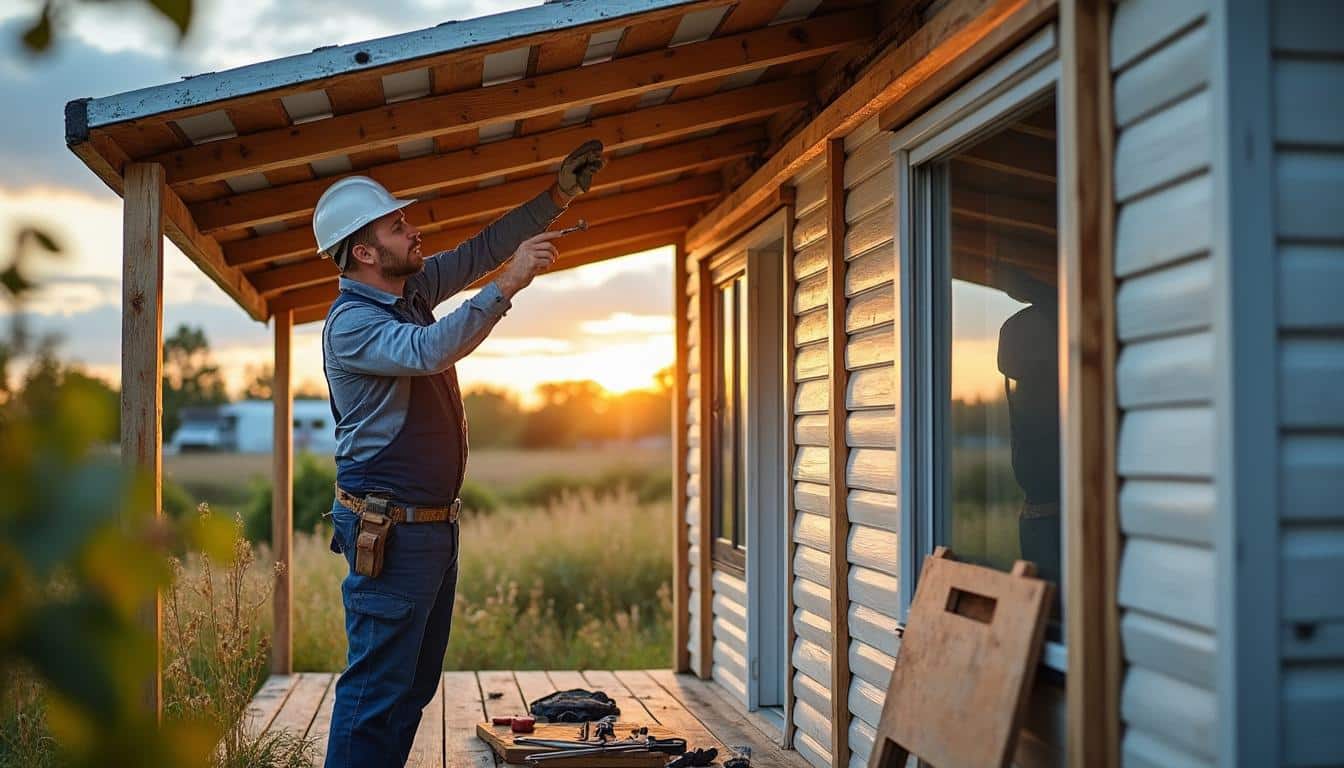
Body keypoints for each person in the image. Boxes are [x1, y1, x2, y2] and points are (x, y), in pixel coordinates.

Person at [314, 140, 605, 768]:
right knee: (375, 694)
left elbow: (480, 249)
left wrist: (556, 197)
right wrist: (508, 284)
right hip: (388, 531)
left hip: (427, 528)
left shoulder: (409, 291)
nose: (412, 230)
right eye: (397, 226)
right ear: (364, 252)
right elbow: (429, 350)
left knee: (411, 689)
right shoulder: (352, 324)